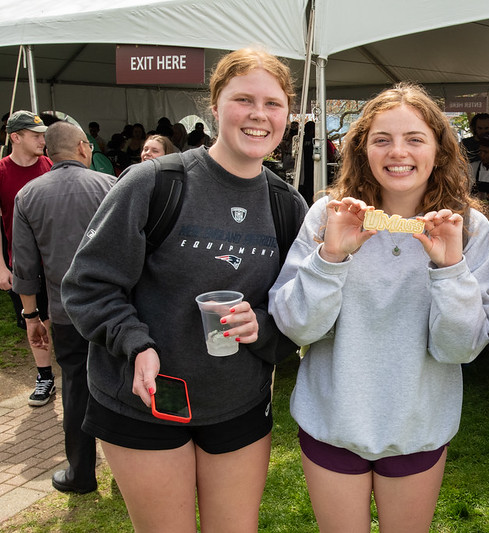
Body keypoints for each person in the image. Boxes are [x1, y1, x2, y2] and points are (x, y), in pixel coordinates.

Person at [61, 47, 307, 532]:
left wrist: (263, 326)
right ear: (214, 107)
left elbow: (298, 309)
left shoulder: (287, 205)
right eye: (243, 100)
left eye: (273, 104)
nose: (258, 114)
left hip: (236, 403)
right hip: (144, 401)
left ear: (287, 115)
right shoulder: (155, 183)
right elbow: (88, 286)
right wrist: (136, 344)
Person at [268, 82, 489, 532]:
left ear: (439, 149)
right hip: (332, 421)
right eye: (382, 139)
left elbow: (460, 349)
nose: (398, 152)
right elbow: (297, 327)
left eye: (415, 139)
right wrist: (330, 258)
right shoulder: (328, 215)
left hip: (418, 428)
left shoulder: (467, 227)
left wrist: (450, 269)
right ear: (362, 150)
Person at [12, 121, 115, 494]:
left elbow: (25, 267)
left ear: (48, 151)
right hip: (114, 309)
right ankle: (127, 472)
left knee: (75, 388)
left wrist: (31, 316)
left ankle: (81, 473)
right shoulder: (110, 186)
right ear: (83, 147)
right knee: (121, 386)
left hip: (66, 311)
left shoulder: (28, 194)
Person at [0, 110, 55, 407]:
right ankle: (45, 376)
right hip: (22, 263)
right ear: (16, 137)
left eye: (43, 135)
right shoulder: (1, 172)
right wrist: (1, 267)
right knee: (34, 319)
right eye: (36, 136)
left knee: (58, 318)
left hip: (56, 261)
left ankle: (75, 373)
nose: (42, 141)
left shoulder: (49, 165)